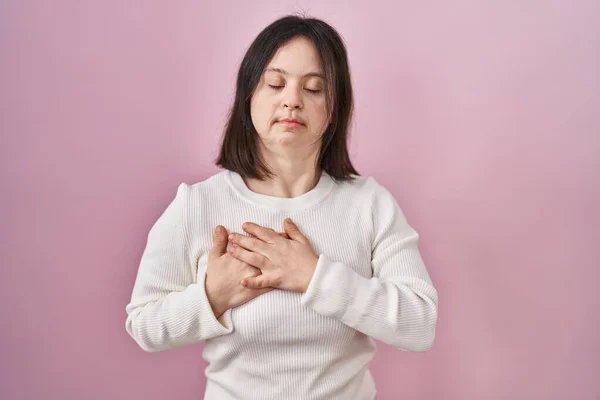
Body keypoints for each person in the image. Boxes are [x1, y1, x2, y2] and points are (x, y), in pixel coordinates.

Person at [125, 14, 438, 400]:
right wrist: (211, 296)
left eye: (314, 88)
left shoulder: (369, 204)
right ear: (248, 97)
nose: (292, 100)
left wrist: (314, 277)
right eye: (275, 83)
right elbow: (143, 325)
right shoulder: (197, 205)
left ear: (335, 109)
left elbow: (419, 324)